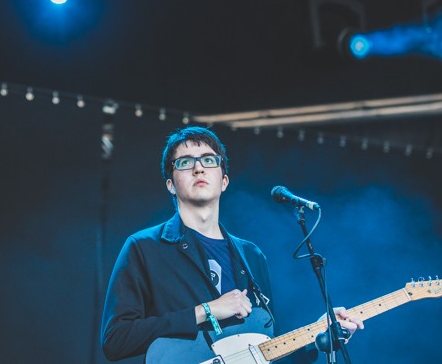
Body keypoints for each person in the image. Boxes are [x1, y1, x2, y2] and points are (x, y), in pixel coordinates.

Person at [101, 126, 363, 363]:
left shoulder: (250, 255)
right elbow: (116, 340)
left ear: (224, 181)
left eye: (208, 160)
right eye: (184, 162)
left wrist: (317, 338)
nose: (198, 168)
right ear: (171, 184)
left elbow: (263, 351)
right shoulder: (144, 247)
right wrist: (207, 310)